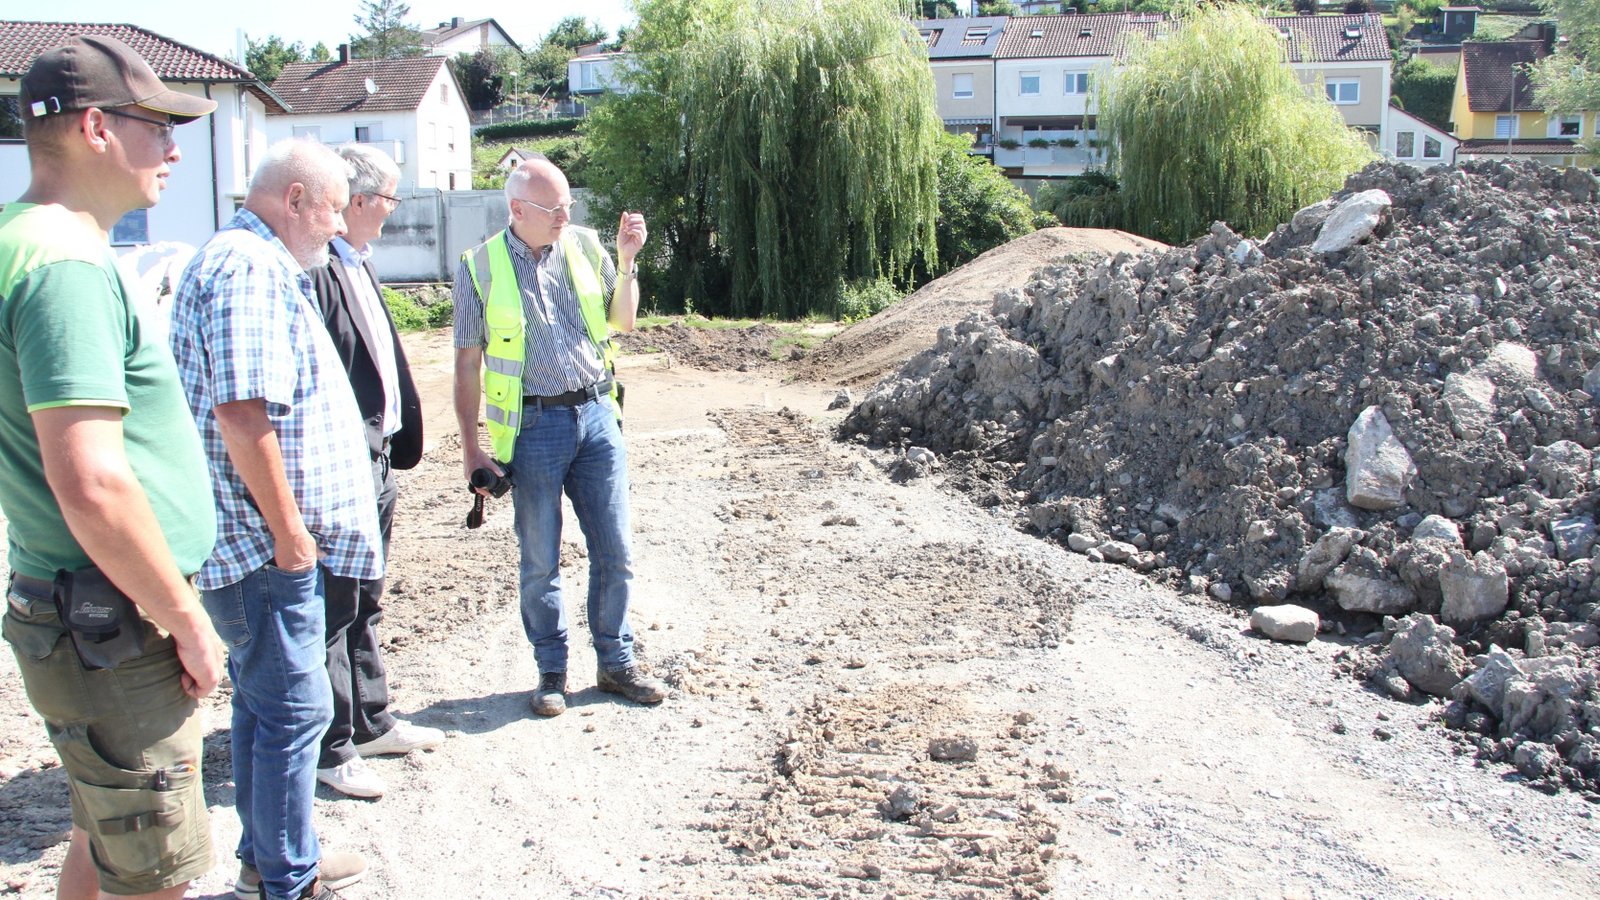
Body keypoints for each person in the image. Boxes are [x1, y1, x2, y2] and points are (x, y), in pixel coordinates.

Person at [0, 36, 224, 900]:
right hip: (114, 624)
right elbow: (91, 481)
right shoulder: (64, 265)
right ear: (96, 127)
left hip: (84, 612)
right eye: (157, 126)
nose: (174, 150)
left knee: (104, 842)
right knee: (154, 875)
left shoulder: (26, 240)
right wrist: (185, 619)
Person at [169, 139, 378, 900]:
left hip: (258, 545)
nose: (339, 226)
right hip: (262, 548)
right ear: (294, 200)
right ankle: (287, 881)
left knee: (268, 709)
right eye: (333, 210)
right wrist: (291, 538)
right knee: (295, 712)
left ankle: (272, 859)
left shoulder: (247, 262)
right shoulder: (249, 269)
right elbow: (241, 413)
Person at [453, 156, 667, 717]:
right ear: (517, 209)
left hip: (596, 415)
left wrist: (627, 262)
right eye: (553, 208)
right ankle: (551, 672)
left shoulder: (588, 248)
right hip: (533, 429)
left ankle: (616, 662)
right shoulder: (479, 268)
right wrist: (471, 447)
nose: (565, 216)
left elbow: (623, 321)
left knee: (615, 552)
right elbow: (467, 364)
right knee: (539, 561)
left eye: (568, 205)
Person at [306, 143, 441, 800]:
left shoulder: (358, 263)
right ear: (358, 200)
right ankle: (332, 746)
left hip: (378, 457)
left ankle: (371, 720)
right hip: (343, 463)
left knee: (365, 598)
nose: (393, 209)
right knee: (335, 604)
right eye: (389, 197)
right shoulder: (318, 271)